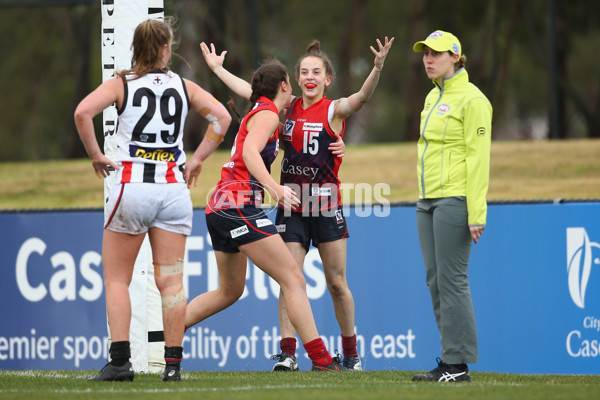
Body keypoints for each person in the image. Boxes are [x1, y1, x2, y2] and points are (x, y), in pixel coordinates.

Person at [198, 36, 394, 371]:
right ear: (296, 79)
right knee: (289, 277)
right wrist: (218, 70)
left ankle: (351, 353)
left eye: (316, 71)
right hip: (291, 204)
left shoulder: (332, 109)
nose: (310, 77)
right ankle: (288, 353)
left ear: (327, 79)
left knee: (336, 283)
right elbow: (252, 91)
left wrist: (375, 69)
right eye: (304, 71)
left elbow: (360, 99)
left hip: (326, 205)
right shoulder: (283, 108)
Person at [74, 18, 232, 382]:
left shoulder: (122, 84)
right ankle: (173, 366)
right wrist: (198, 159)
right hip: (173, 191)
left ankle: (119, 363)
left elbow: (83, 112)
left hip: (133, 189)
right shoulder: (182, 84)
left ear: (136, 48)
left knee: (116, 279)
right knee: (172, 283)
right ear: (166, 48)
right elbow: (221, 118)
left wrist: (96, 154)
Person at [184, 59, 347, 371]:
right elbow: (248, 153)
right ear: (285, 86)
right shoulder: (270, 113)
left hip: (219, 207)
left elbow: (250, 91)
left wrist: (219, 71)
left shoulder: (262, 107)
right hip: (237, 205)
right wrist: (274, 187)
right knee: (294, 279)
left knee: (228, 292)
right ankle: (322, 360)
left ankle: (168, 337)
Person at [410, 30, 492, 382]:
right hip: (427, 200)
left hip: (455, 199)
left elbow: (478, 160)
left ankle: (458, 364)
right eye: (426, 53)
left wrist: (477, 213)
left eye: (437, 53)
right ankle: (449, 360)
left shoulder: (473, 100)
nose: (429, 59)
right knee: (435, 281)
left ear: (456, 57)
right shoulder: (432, 97)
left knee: (452, 280)